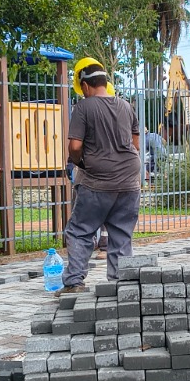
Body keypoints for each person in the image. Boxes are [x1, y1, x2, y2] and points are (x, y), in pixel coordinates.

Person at [61, 58, 140, 292]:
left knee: (80, 230)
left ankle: (74, 282)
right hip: (129, 182)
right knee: (121, 234)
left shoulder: (83, 108)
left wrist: (79, 163)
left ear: (85, 86)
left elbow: (74, 147)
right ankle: (119, 286)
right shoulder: (126, 106)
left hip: (97, 181)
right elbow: (135, 143)